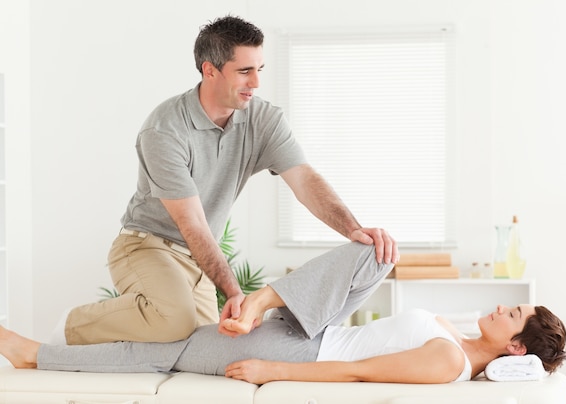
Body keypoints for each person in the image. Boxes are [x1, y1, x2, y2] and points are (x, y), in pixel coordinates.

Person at [56, 15, 399, 346]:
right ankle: (72, 325)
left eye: (259, 69)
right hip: (147, 245)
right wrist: (234, 292)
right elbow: (191, 224)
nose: (256, 82)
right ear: (210, 70)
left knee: (205, 345)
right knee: (174, 321)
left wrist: (351, 229)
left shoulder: (263, 120)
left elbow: (304, 179)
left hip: (197, 260)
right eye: (245, 71)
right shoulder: (165, 130)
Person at [2, 243, 566, 384]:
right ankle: (262, 302)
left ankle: (35, 355)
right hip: (313, 327)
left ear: (515, 345)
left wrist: (274, 371)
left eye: (511, 313)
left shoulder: (448, 361)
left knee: (168, 350)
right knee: (375, 249)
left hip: (300, 350)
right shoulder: (455, 338)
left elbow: (357, 373)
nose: (499, 306)